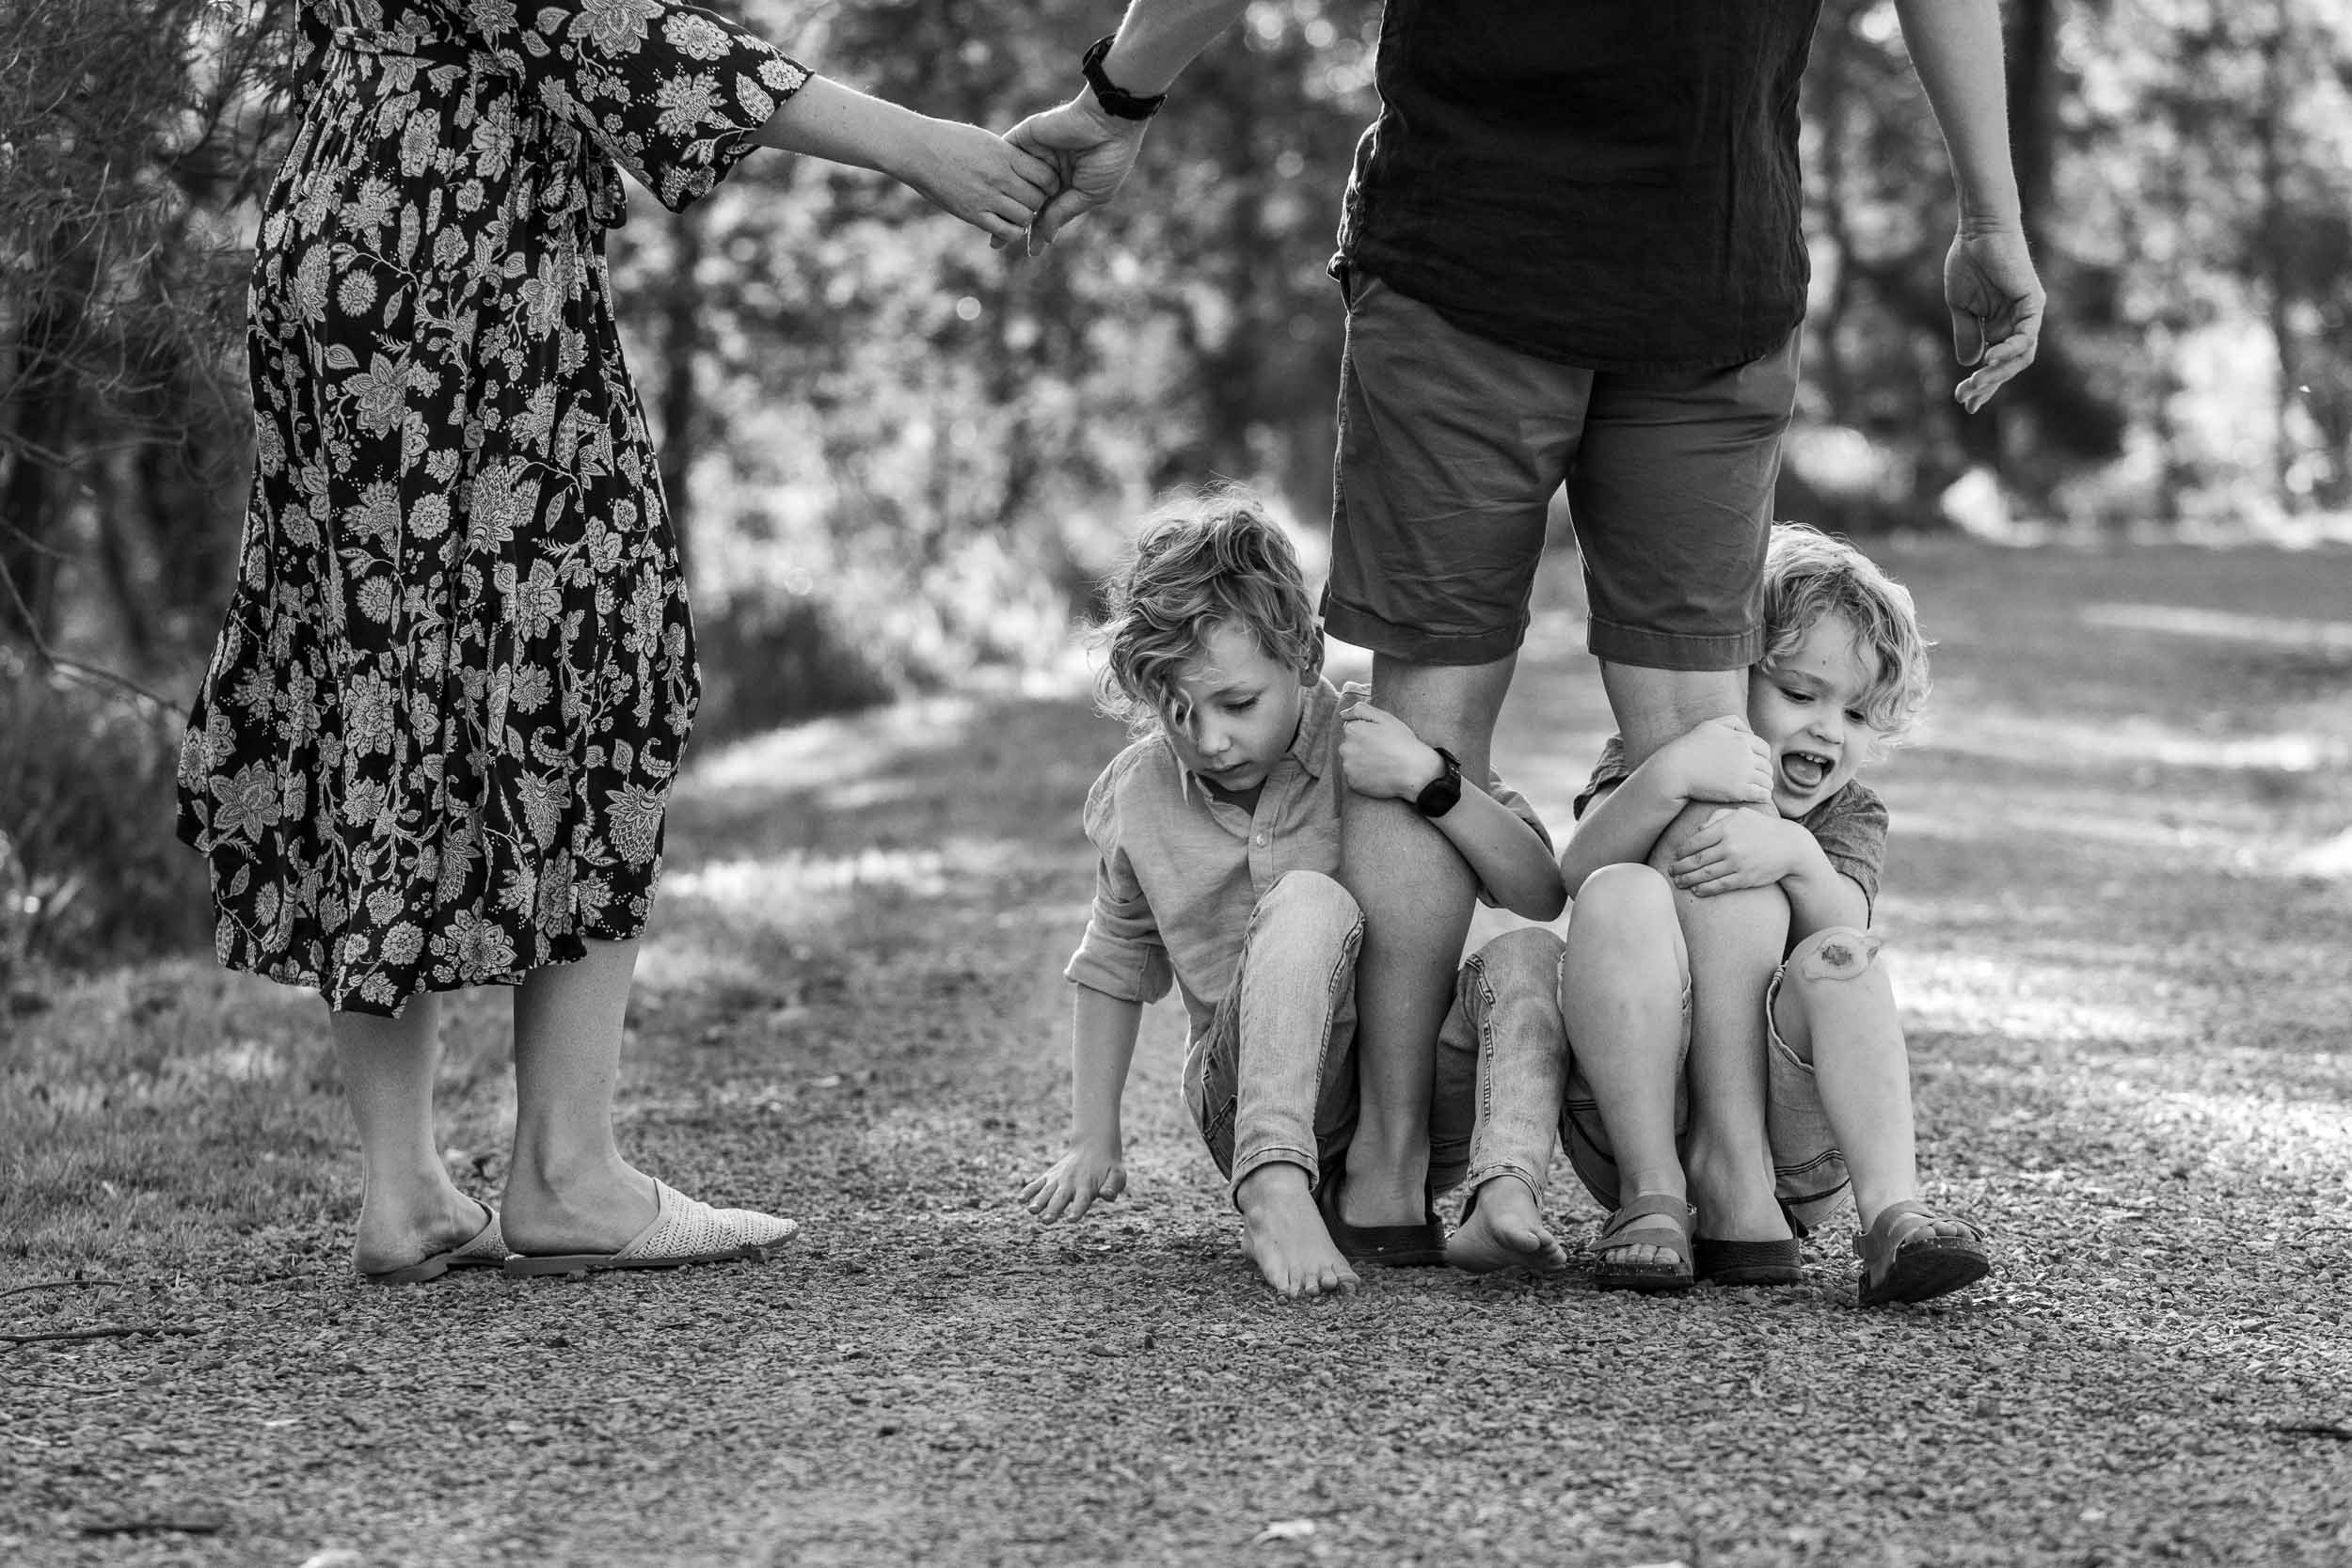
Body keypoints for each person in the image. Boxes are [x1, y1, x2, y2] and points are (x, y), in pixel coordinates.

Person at [1001, 0, 2044, 1261]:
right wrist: (1989, 211)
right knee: (1698, 734)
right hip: (1681, 252)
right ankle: (1714, 1176)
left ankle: (1400, 1165)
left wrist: (1122, 91)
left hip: (1509, 253)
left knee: (1460, 722)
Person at [174, 0, 1055, 1283]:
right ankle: (566, 1172)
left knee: (372, 654)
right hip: (453, 258)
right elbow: (607, 29)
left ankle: (407, 1183)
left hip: (359, 218)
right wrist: (927, 148)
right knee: (604, 646)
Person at [1020, 490, 1567, 1298]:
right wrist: (1093, 1137)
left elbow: (1540, 889)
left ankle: (1503, 1190)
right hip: (1248, 1096)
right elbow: (1112, 962)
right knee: (1310, 899)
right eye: (1178, 712)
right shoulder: (1140, 793)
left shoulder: (1373, 740)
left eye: (1238, 703)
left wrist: (1430, 782)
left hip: (1409, 1090)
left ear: (1304, 656)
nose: (1211, 740)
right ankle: (1274, 1186)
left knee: (1529, 957)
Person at [1554, 523, 1991, 1305]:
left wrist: (1795, 855)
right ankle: (1651, 1195)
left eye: (1858, 716)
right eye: (1799, 693)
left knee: (1845, 965)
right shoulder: (1655, 757)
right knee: (1620, 892)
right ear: (1736, 677)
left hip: (1791, 1142)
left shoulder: (1848, 815)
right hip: (1640, 1104)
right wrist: (1668, 777)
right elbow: (1576, 873)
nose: (1828, 728)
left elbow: (1847, 923)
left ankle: (1893, 1215)